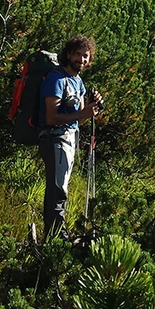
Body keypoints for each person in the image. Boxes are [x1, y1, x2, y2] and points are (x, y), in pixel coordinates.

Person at [38, 35, 101, 241]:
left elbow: (79, 119)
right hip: (55, 139)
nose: (81, 60)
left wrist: (90, 107)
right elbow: (51, 116)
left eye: (86, 56)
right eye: (78, 55)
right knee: (57, 187)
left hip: (69, 139)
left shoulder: (78, 81)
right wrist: (83, 114)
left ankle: (56, 232)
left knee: (62, 186)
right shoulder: (57, 79)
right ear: (68, 54)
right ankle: (56, 234)